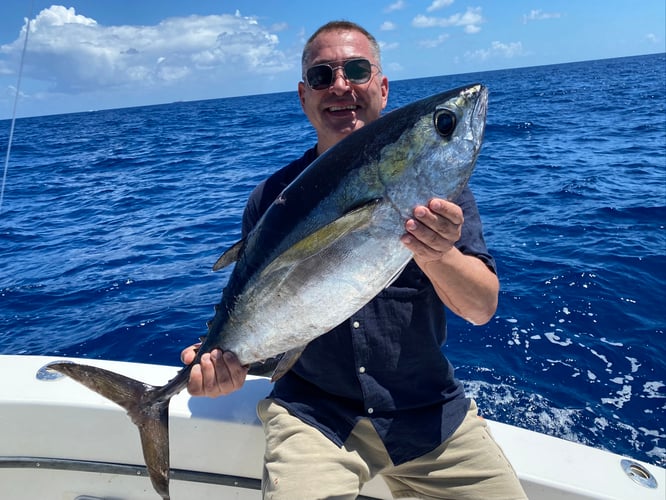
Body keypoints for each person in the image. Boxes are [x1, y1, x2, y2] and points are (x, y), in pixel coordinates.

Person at [182, 20, 527, 500]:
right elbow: (260, 311)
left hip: (427, 412)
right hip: (314, 416)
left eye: (356, 70)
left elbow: (480, 308)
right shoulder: (272, 200)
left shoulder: (443, 197)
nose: (340, 86)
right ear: (304, 96)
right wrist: (219, 365)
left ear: (382, 88)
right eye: (323, 76)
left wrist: (437, 250)